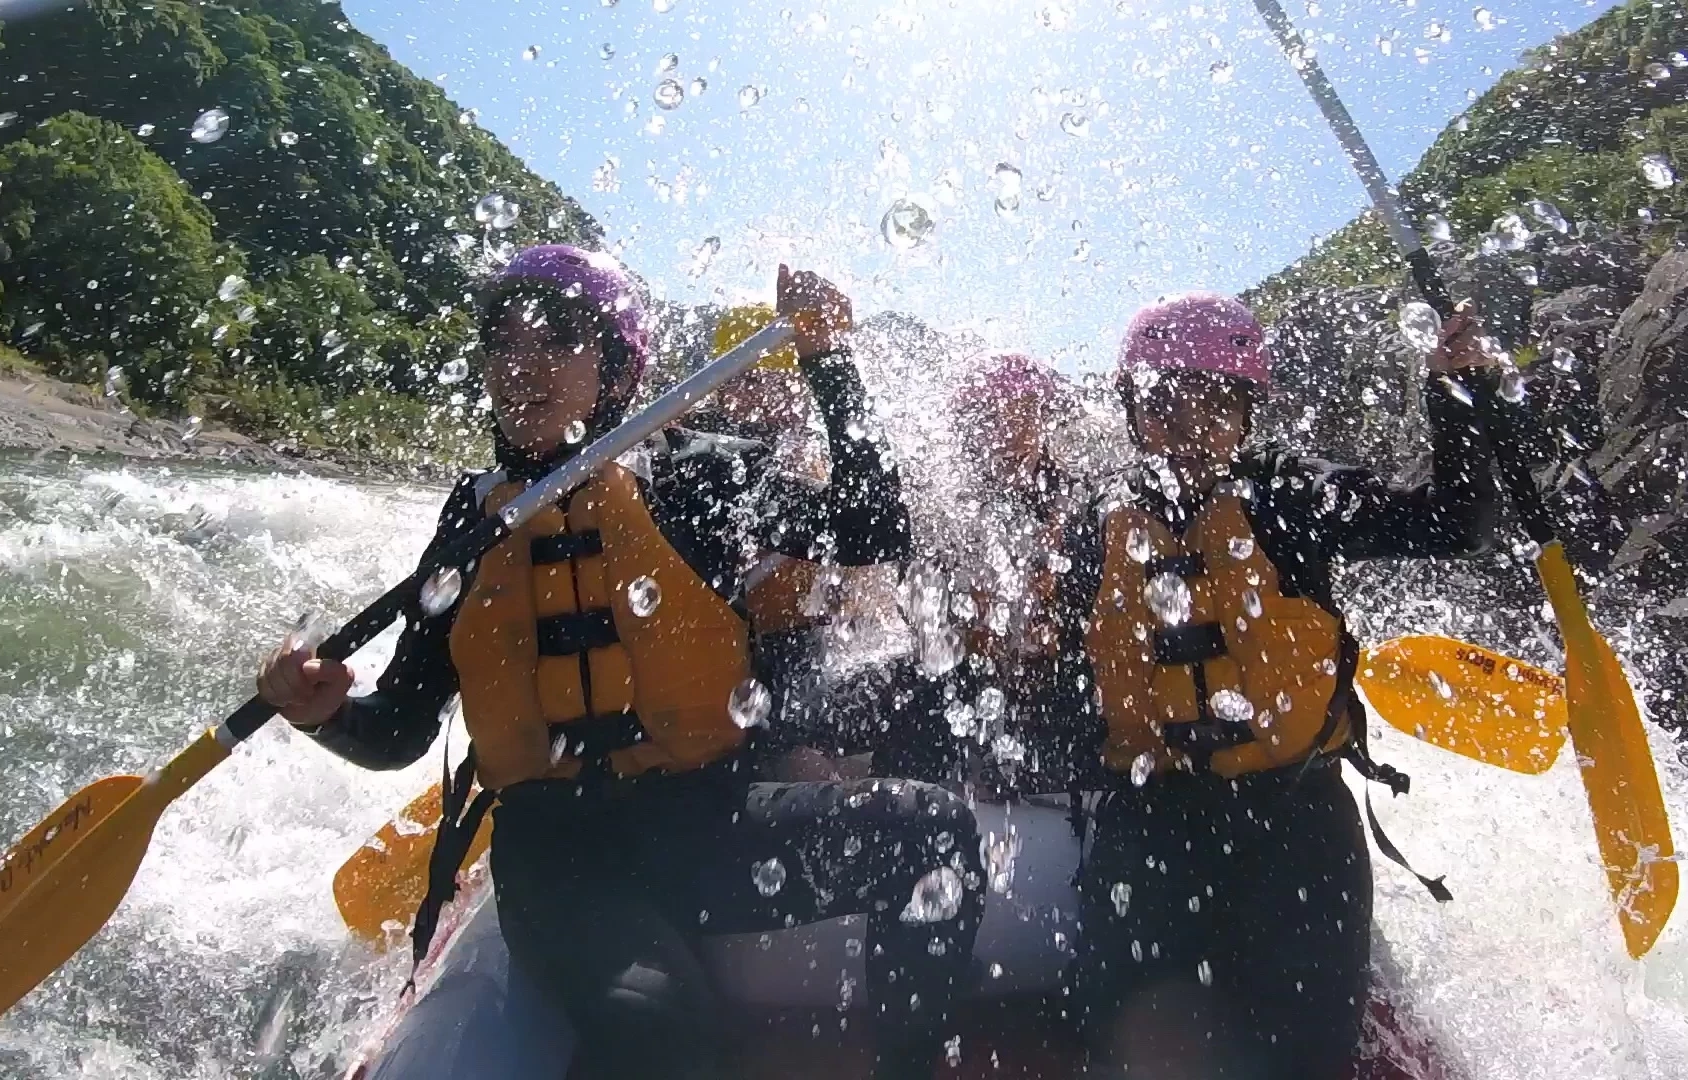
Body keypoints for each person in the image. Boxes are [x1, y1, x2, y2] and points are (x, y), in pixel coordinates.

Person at [254, 245, 984, 1080]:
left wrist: (829, 360)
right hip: (560, 858)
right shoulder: (473, 519)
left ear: (617, 366)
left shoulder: (696, 476)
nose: (522, 362)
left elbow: (875, 527)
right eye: (503, 340)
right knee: (655, 1026)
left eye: (558, 338)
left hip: (704, 823)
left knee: (932, 830)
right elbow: (399, 731)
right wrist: (324, 714)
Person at [1059, 293, 1500, 1078]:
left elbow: (1453, 523)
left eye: (1214, 407)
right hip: (1152, 817)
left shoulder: (1295, 496)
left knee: (1305, 1055)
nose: (1189, 431)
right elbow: (1068, 674)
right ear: (1132, 415)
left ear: (1246, 415)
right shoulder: (1096, 523)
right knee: (1125, 1044)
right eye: (1162, 408)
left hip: (1294, 816)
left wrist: (1456, 392)